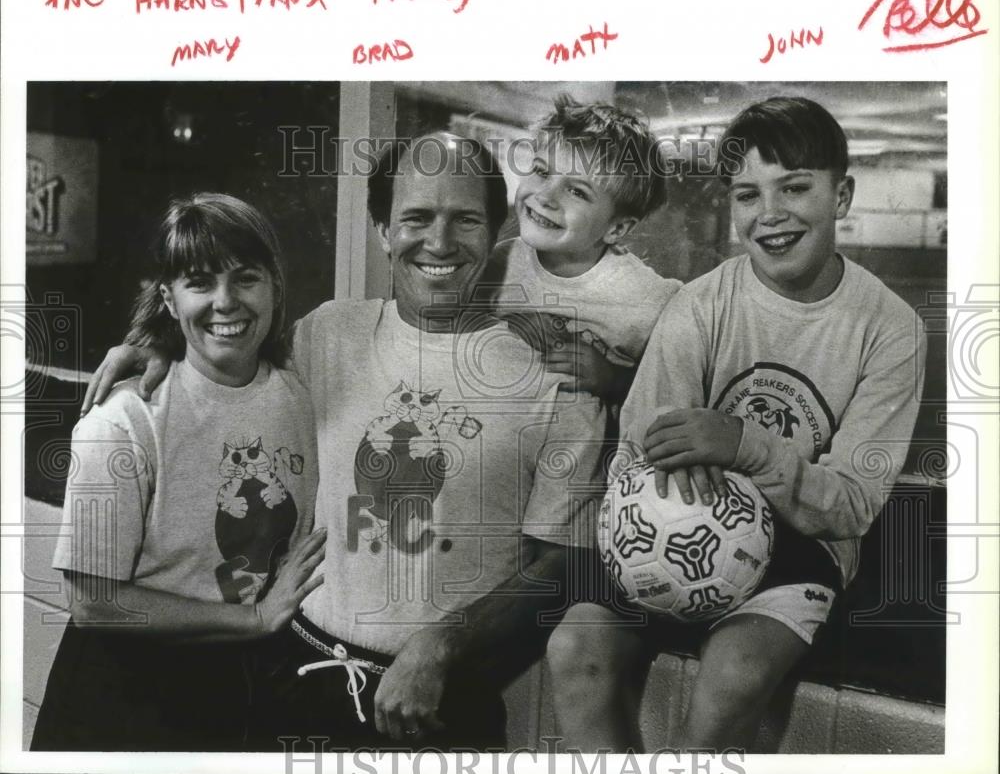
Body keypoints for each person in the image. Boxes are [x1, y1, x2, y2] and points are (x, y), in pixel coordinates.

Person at [81, 135, 608, 751]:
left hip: (440, 705)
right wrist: (160, 343)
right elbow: (228, 342)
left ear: (497, 230)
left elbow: (566, 562)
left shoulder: (557, 378)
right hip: (292, 678)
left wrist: (442, 646)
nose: (438, 243)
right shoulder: (328, 333)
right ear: (383, 229)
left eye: (464, 219)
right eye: (415, 217)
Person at [544, 97, 927, 751]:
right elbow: (642, 442)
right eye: (748, 194)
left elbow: (853, 503)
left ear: (842, 194)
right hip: (671, 523)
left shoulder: (892, 329)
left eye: (795, 187)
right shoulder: (699, 305)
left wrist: (744, 445)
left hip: (800, 544)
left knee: (735, 675)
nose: (770, 213)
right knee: (575, 647)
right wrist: (674, 458)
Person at [31, 193, 325, 751]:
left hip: (250, 685)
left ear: (275, 287)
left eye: (245, 278)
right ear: (168, 298)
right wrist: (258, 619)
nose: (225, 302)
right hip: (125, 693)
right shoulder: (122, 421)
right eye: (199, 282)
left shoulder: (306, 393)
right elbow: (93, 601)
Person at [477, 95, 681, 401]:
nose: (545, 196)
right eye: (543, 172)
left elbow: (678, 388)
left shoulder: (650, 299)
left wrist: (614, 379)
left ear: (617, 229)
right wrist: (503, 325)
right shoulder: (495, 263)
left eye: (576, 191)